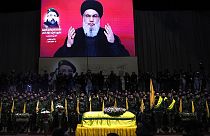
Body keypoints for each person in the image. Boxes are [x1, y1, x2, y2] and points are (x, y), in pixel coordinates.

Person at [53, 0, 130, 57]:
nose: (91, 20)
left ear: (99, 18)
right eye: (87, 16)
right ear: (83, 17)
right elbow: (57, 59)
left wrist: (113, 43)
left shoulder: (108, 35)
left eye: (95, 16)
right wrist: (68, 45)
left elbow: (126, 58)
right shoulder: (75, 35)